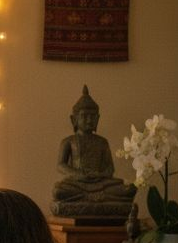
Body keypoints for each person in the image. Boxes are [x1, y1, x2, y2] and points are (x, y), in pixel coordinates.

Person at [50, 86, 135, 216]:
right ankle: (95, 199)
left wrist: (99, 175)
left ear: (98, 118)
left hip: (101, 184)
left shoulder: (102, 142)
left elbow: (109, 169)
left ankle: (89, 198)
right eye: (85, 116)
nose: (89, 120)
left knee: (128, 189)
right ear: (74, 119)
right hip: (77, 184)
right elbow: (61, 165)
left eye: (93, 117)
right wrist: (79, 174)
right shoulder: (69, 141)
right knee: (58, 191)